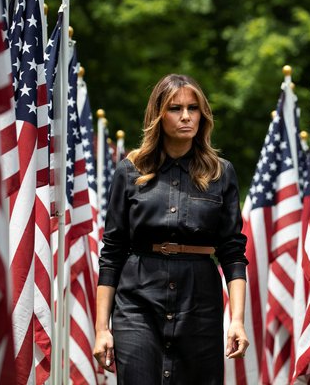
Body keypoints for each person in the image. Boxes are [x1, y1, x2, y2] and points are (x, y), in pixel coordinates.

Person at [93, 73, 250, 384]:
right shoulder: (129, 171)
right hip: (136, 302)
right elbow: (111, 253)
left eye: (193, 108)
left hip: (200, 304)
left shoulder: (222, 173)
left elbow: (233, 252)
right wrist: (101, 329)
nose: (186, 116)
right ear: (158, 115)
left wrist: (237, 320)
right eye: (176, 109)